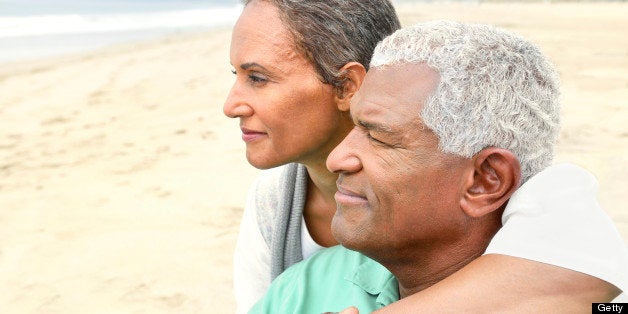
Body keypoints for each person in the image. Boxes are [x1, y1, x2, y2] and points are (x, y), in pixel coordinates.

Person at [223, 1, 624, 312]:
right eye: (356, 127)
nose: (338, 159)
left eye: (379, 138)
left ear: (486, 179)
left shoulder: (580, 267)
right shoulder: (301, 286)